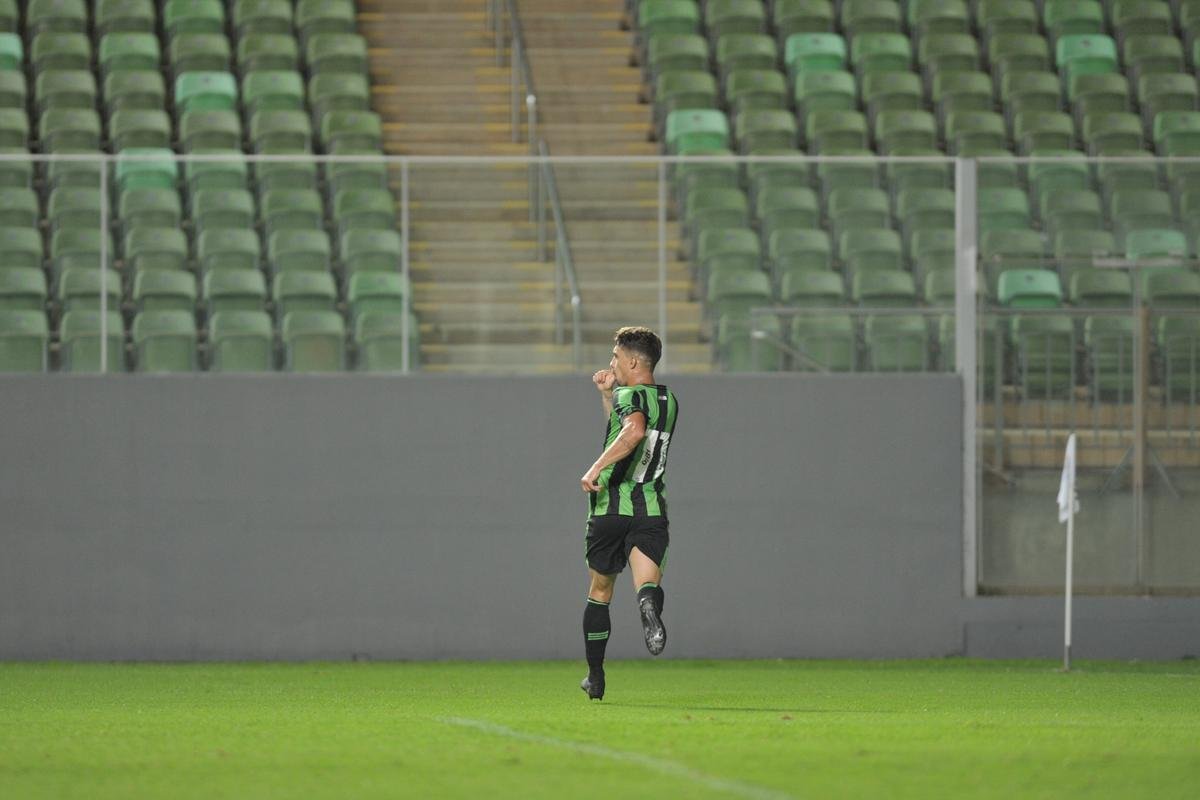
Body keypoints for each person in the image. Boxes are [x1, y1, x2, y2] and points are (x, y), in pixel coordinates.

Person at [578, 326, 679, 701]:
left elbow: (632, 433)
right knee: (646, 584)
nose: (612, 363)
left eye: (616, 357)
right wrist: (607, 397)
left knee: (600, 591)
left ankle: (595, 677)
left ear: (634, 362)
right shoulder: (668, 401)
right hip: (650, 508)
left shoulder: (628, 395)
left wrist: (595, 467)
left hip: (610, 507)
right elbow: (624, 431)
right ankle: (648, 606)